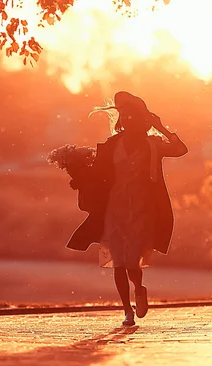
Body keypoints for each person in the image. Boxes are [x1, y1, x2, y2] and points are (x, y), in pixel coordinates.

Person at [67, 91, 188, 326]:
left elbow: (181, 149)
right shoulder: (112, 145)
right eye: (124, 115)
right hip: (114, 209)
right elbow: (97, 174)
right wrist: (78, 178)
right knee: (118, 261)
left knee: (132, 262)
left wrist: (161, 127)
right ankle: (127, 312)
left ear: (142, 119)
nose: (128, 119)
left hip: (143, 210)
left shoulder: (154, 145)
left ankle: (139, 290)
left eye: (132, 115)